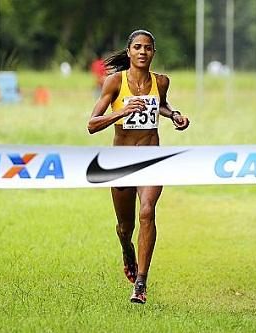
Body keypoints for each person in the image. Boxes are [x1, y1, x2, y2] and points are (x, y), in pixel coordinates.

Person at [87, 30, 190, 304]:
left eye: (147, 48)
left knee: (147, 212)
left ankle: (141, 284)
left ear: (153, 52)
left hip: (151, 158)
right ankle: (126, 248)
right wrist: (122, 111)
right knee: (125, 226)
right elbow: (91, 125)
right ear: (129, 52)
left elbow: (162, 106)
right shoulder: (114, 82)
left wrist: (175, 115)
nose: (143, 52)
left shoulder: (162, 82)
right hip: (120, 161)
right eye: (137, 47)